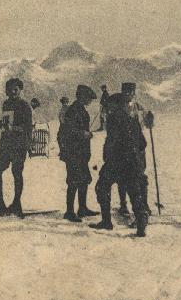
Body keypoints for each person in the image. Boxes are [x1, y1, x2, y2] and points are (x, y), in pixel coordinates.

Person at [90, 93, 149, 236]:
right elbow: (143, 143)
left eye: (110, 105)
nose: (108, 108)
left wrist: (108, 156)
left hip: (116, 161)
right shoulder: (133, 120)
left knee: (102, 187)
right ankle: (141, 227)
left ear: (116, 105)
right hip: (133, 162)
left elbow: (112, 140)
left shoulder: (113, 119)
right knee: (134, 193)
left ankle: (106, 221)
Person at [0, 78, 34, 217]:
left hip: (19, 144)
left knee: (16, 173)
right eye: (9, 89)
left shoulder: (25, 106)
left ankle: (16, 204)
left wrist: (13, 128)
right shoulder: (6, 104)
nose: (12, 92)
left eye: (15, 89)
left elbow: (27, 127)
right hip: (6, 144)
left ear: (20, 90)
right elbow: (6, 122)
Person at [57, 85, 99, 222]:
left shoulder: (80, 109)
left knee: (84, 179)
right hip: (73, 152)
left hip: (81, 153)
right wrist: (84, 134)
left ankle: (82, 208)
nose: (90, 101)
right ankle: (69, 212)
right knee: (73, 181)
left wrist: (86, 135)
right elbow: (68, 130)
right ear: (81, 97)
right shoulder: (73, 110)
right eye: (88, 98)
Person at [117, 82, 153, 216]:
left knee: (140, 175)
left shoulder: (139, 108)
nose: (128, 94)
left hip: (138, 145)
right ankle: (123, 204)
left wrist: (150, 119)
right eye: (125, 92)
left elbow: (148, 125)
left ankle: (144, 204)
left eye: (130, 92)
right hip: (122, 146)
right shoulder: (118, 108)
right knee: (122, 175)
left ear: (134, 93)